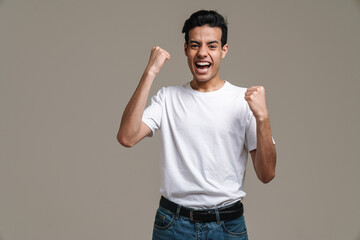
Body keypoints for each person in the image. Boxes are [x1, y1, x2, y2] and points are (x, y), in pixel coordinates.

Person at [117, 9, 276, 240]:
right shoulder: (168, 98)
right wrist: (150, 72)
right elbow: (126, 137)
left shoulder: (244, 101)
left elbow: (267, 173)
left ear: (224, 50)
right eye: (195, 45)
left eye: (212, 46)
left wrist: (263, 118)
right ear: (185, 49)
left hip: (227, 225)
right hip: (173, 224)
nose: (202, 53)